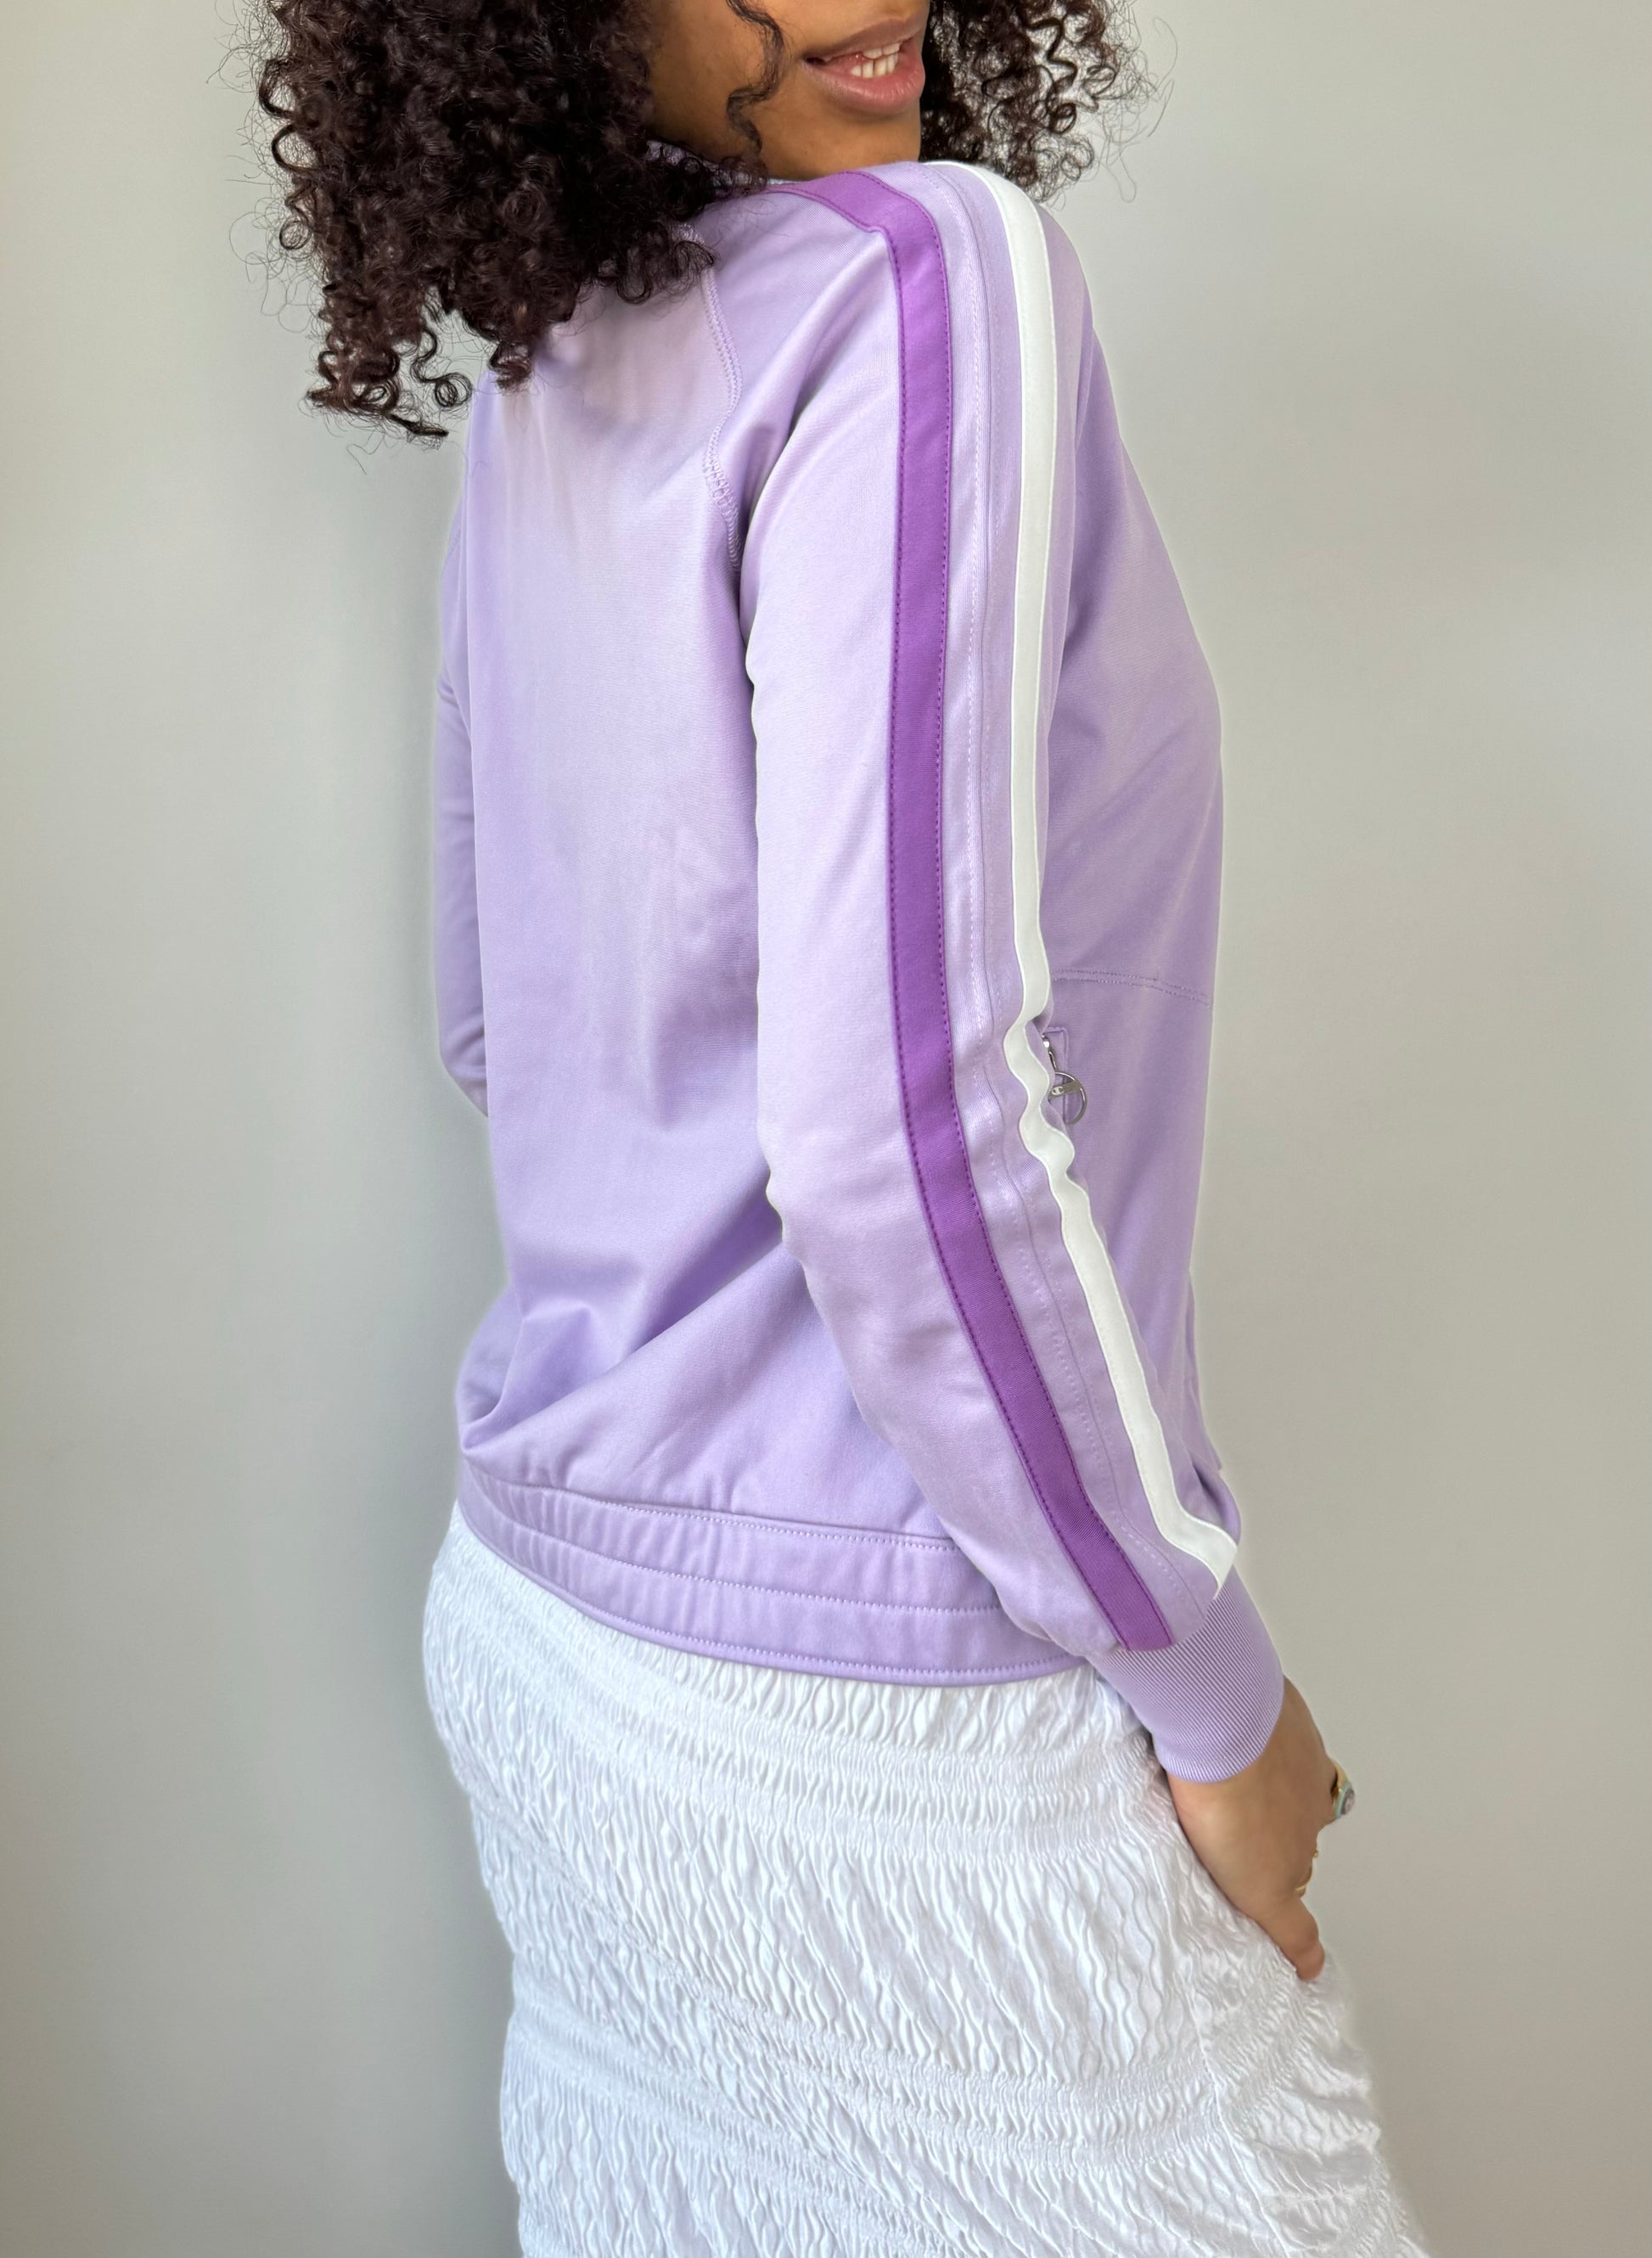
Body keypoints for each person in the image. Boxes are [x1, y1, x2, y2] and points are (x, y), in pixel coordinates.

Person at [257, 2, 1433, 2250]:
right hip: (888, 1724)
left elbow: (500, 1014)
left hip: (556, 1644)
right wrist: (1211, 1691)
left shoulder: (550, 360)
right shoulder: (925, 274)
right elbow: (903, 1130)